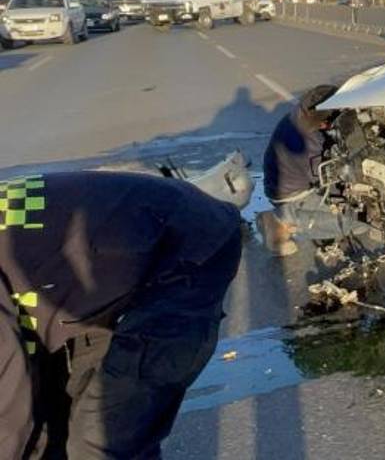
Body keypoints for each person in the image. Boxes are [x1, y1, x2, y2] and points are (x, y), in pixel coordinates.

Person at [0, 171, 246, 460]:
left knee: (101, 439)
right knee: (57, 419)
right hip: (105, 268)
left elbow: (7, 396)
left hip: (182, 252)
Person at [260, 84, 364, 256]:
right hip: (294, 196)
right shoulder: (310, 142)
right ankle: (281, 220)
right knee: (361, 222)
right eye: (324, 122)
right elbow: (328, 182)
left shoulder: (300, 115)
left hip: (287, 182)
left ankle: (290, 215)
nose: (325, 125)